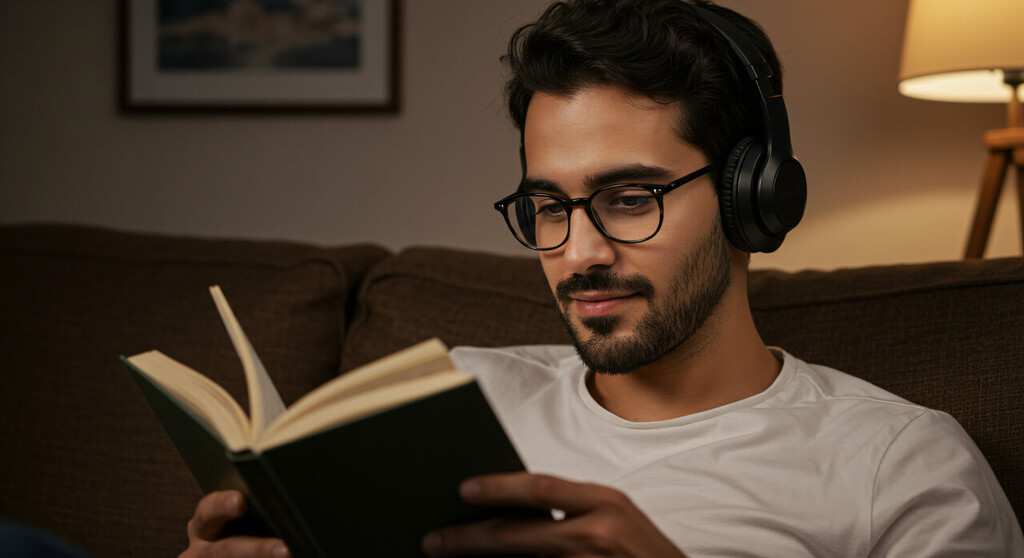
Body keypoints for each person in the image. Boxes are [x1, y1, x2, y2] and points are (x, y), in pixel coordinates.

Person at [179, 1, 1024, 556]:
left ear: (751, 196)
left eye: (628, 198)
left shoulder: (896, 467)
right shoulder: (449, 393)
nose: (579, 252)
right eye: (548, 205)